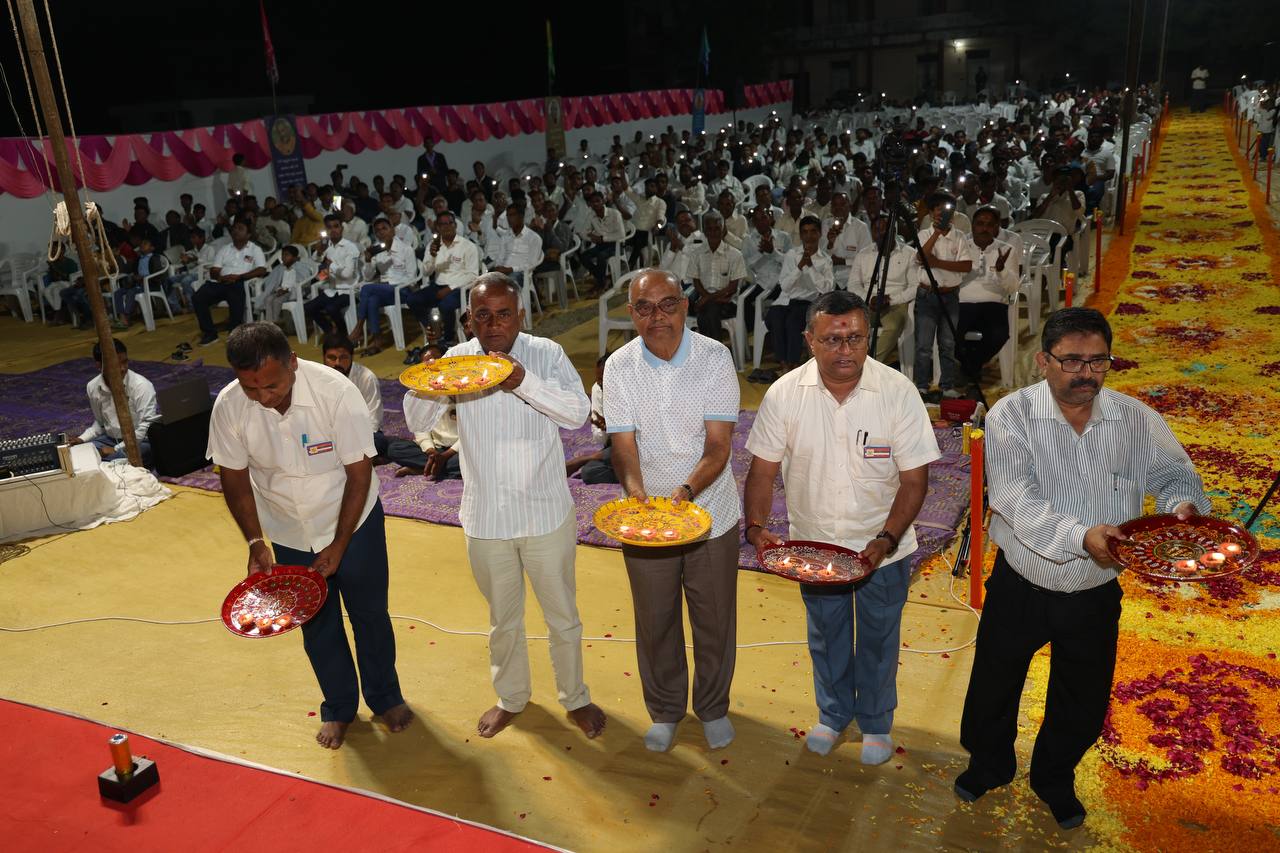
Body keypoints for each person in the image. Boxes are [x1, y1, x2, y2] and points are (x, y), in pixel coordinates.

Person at [954, 308, 1209, 830]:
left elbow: (1176, 476)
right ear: (1043, 361)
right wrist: (1081, 536)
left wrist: (1181, 509)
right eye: (1072, 361)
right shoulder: (1012, 416)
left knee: (1082, 696)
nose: (1086, 373)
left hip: (1096, 587)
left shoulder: (1135, 419)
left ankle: (1054, 777)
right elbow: (1014, 499)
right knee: (994, 685)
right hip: (1022, 582)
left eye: (1098, 361)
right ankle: (990, 764)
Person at [402, 274, 607, 740]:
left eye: (504, 314)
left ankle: (575, 696)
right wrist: (429, 383)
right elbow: (418, 421)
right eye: (483, 315)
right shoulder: (457, 361)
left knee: (563, 617)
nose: (494, 324)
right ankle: (511, 697)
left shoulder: (546, 354)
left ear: (521, 315)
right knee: (503, 620)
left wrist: (523, 382)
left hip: (544, 510)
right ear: (469, 319)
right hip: (486, 515)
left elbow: (576, 414)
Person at [743, 290, 940, 764]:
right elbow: (762, 473)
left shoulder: (897, 392)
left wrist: (886, 539)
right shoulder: (784, 394)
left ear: (869, 337)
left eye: (855, 338)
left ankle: (875, 723)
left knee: (878, 637)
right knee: (827, 635)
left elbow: (915, 481)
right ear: (810, 340)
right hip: (816, 549)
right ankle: (832, 716)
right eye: (832, 339)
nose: (845, 350)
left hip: (883, 548)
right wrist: (756, 527)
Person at [208, 323, 412, 750]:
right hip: (289, 529)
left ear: (293, 363)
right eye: (251, 388)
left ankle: (385, 697)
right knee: (314, 621)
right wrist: (255, 542)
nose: (263, 396)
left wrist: (339, 544)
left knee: (369, 614)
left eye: (272, 385)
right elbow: (235, 478)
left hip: (353, 519)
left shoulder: (335, 393)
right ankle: (338, 707)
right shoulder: (230, 406)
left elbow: (359, 474)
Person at [604, 269, 741, 752]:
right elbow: (623, 447)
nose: (656, 316)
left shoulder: (714, 357)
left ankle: (713, 707)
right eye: (644, 307)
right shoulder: (619, 366)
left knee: (714, 618)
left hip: (710, 511)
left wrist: (685, 492)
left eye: (667, 304)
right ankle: (664, 710)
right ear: (631, 313)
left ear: (685, 306)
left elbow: (719, 446)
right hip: (647, 520)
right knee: (655, 618)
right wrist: (637, 494)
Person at [911, 192, 974, 402]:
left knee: (948, 344)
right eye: (938, 210)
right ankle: (921, 386)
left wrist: (936, 263)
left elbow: (966, 266)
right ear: (930, 213)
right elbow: (921, 258)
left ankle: (947, 386)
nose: (943, 214)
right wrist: (936, 234)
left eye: (948, 210)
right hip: (927, 295)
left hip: (950, 296)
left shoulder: (960, 236)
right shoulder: (924, 234)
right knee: (923, 345)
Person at [68, 338, 159, 467]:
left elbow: (146, 426)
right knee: (76, 454)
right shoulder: (92, 387)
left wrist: (116, 449)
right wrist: (81, 439)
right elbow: (100, 423)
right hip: (110, 440)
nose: (122, 368)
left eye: (125, 362)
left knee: (129, 455)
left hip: (140, 442)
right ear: (99, 365)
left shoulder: (142, 386)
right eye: (116, 365)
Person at [957, 207, 1018, 391]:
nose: (984, 228)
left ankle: (970, 367)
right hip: (962, 302)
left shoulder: (1006, 249)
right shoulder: (960, 247)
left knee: (999, 335)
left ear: (996, 227)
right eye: (980, 224)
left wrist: (1001, 270)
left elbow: (1013, 287)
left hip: (994, 304)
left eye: (989, 225)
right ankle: (972, 368)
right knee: (949, 333)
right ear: (972, 226)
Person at [848, 214, 915, 369]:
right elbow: (853, 284)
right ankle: (852, 361)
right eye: (876, 229)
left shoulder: (909, 253)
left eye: (885, 229)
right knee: (852, 326)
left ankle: (867, 366)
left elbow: (914, 286)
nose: (881, 233)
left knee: (893, 326)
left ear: (894, 231)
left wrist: (891, 299)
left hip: (896, 303)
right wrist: (869, 298)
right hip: (868, 302)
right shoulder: (863, 254)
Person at [406, 211, 479, 349]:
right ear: (438, 227)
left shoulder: (467, 246)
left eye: (450, 223)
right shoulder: (433, 245)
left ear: (455, 225)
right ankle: (433, 331)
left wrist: (450, 288)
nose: (447, 226)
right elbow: (426, 272)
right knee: (412, 299)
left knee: (446, 305)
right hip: (438, 285)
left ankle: (448, 339)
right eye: (443, 224)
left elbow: (473, 275)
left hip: (460, 288)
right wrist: (433, 256)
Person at [769, 216, 833, 374]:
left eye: (813, 232)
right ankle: (783, 363)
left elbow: (827, 288)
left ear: (819, 234)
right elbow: (784, 285)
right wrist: (799, 268)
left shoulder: (825, 260)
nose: (809, 236)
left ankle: (793, 364)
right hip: (786, 299)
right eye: (805, 232)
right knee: (774, 317)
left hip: (808, 301)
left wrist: (810, 267)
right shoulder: (792, 255)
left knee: (793, 321)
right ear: (801, 234)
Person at [195, 220, 267, 347]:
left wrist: (240, 277)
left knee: (236, 293)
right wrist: (220, 277)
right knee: (198, 297)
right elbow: (214, 269)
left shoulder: (255, 249)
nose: (235, 231)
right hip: (222, 281)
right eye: (234, 228)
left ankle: (234, 333)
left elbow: (262, 269)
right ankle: (210, 333)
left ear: (248, 234)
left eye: (240, 228)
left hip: (241, 281)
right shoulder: (225, 249)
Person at [351, 218, 417, 356]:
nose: (381, 232)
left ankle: (359, 327)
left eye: (384, 228)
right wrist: (368, 260)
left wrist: (394, 285)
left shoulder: (406, 249)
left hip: (403, 290)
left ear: (392, 230)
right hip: (385, 291)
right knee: (372, 300)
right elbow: (368, 277)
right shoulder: (377, 251)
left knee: (367, 289)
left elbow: (412, 279)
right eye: (377, 231)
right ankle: (377, 340)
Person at [689, 211, 747, 344]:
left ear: (723, 230)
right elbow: (696, 281)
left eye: (717, 229)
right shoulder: (696, 254)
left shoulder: (735, 254)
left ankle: (710, 351)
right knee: (709, 310)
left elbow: (732, 287)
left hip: (728, 301)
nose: (713, 233)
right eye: (709, 229)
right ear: (704, 232)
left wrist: (706, 299)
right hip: (706, 299)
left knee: (707, 312)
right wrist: (707, 298)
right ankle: (716, 350)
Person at [565, 354, 617, 484]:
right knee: (589, 473)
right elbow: (600, 436)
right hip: (615, 447)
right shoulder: (598, 389)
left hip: (641, 447)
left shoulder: (635, 390)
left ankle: (589, 458)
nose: (601, 384)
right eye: (599, 380)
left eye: (605, 380)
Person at [306, 214, 362, 336]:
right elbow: (314, 261)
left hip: (349, 290)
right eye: (329, 227)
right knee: (309, 307)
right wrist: (319, 251)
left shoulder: (350, 247)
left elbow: (347, 274)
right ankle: (331, 331)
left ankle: (343, 335)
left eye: (336, 226)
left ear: (342, 228)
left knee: (331, 308)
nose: (333, 230)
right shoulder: (327, 246)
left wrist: (331, 265)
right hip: (332, 289)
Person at [256, 245, 314, 325]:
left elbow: (303, 282)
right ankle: (269, 323)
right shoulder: (280, 268)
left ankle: (274, 322)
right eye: (282, 255)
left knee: (276, 301)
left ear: (295, 258)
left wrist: (286, 290)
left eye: (286, 255)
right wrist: (277, 289)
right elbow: (273, 281)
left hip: (293, 292)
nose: (283, 257)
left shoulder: (300, 268)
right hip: (280, 291)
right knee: (268, 299)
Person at [580, 191, 626, 291]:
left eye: (598, 201)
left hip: (616, 245)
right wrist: (592, 238)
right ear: (590, 204)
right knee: (584, 256)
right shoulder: (591, 215)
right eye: (593, 202)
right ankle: (603, 280)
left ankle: (600, 283)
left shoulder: (614, 213)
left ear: (603, 201)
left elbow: (621, 234)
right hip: (600, 245)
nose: (595, 204)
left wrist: (602, 238)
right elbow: (583, 232)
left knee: (601, 256)